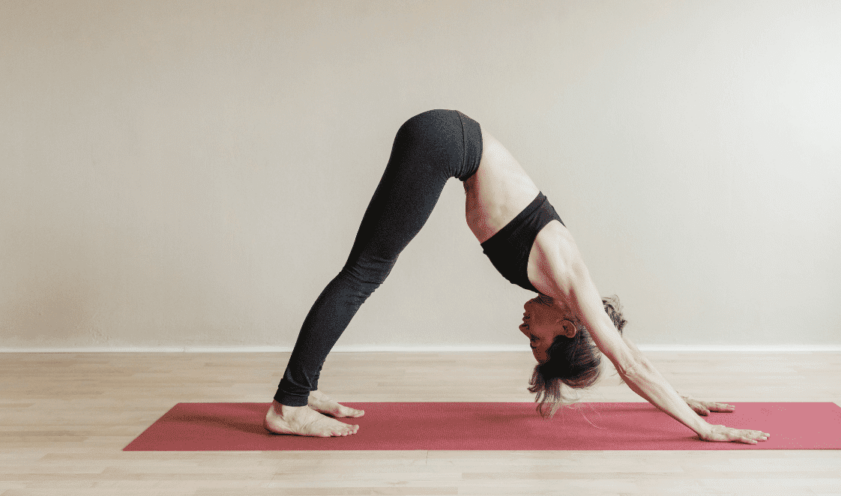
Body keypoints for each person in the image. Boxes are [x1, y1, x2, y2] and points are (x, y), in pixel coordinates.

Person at [265, 109, 769, 445]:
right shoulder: (572, 279)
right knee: (364, 272)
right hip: (444, 142)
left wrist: (682, 399)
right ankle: (288, 405)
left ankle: (301, 389)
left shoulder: (566, 290)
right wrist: (704, 431)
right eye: (537, 342)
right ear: (569, 328)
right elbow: (630, 365)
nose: (525, 331)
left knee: (365, 271)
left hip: (444, 139)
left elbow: (630, 357)